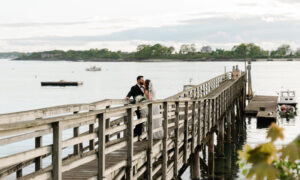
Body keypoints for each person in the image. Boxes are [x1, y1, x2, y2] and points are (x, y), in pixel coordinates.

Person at [126, 76, 145, 140]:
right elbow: (130, 93)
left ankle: (135, 133)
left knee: (141, 120)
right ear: (138, 80)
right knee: (140, 119)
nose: (143, 81)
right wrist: (128, 96)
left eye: (143, 79)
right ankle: (138, 134)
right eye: (142, 80)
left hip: (144, 106)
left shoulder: (144, 87)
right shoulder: (134, 87)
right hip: (137, 107)